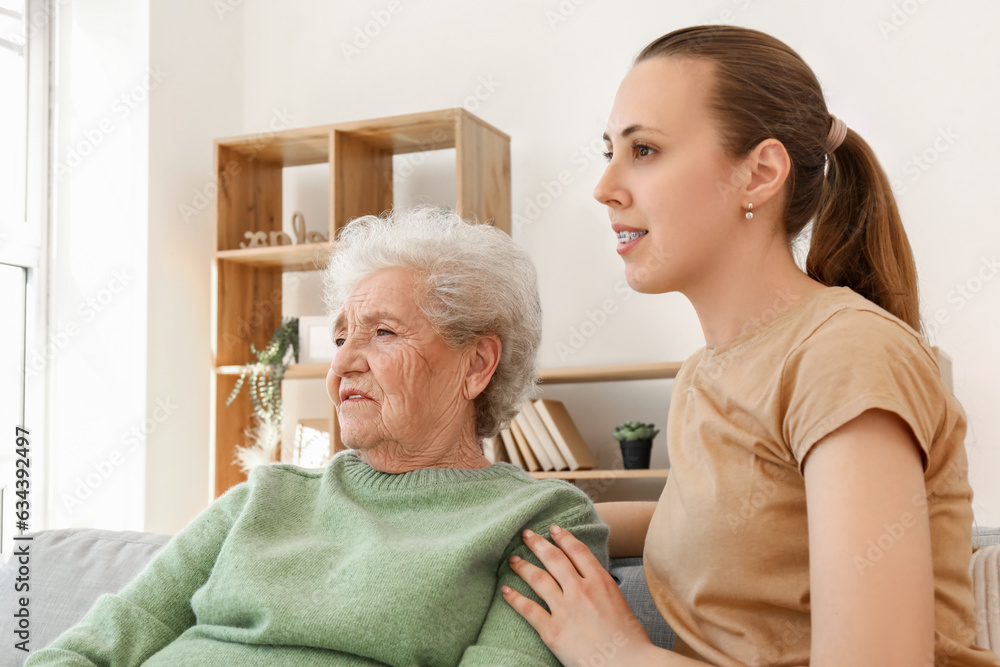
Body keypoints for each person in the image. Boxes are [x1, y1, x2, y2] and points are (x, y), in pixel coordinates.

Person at [502, 25, 1000, 667]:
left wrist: (617, 654)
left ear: (760, 173)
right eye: (610, 153)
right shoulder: (702, 377)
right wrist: (500, 512)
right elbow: (727, 524)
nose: (605, 188)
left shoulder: (843, 355)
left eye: (645, 150)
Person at [27, 208, 609, 666]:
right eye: (339, 340)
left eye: (382, 333)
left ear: (477, 364)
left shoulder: (540, 522)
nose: (344, 364)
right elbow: (101, 643)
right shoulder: (264, 497)